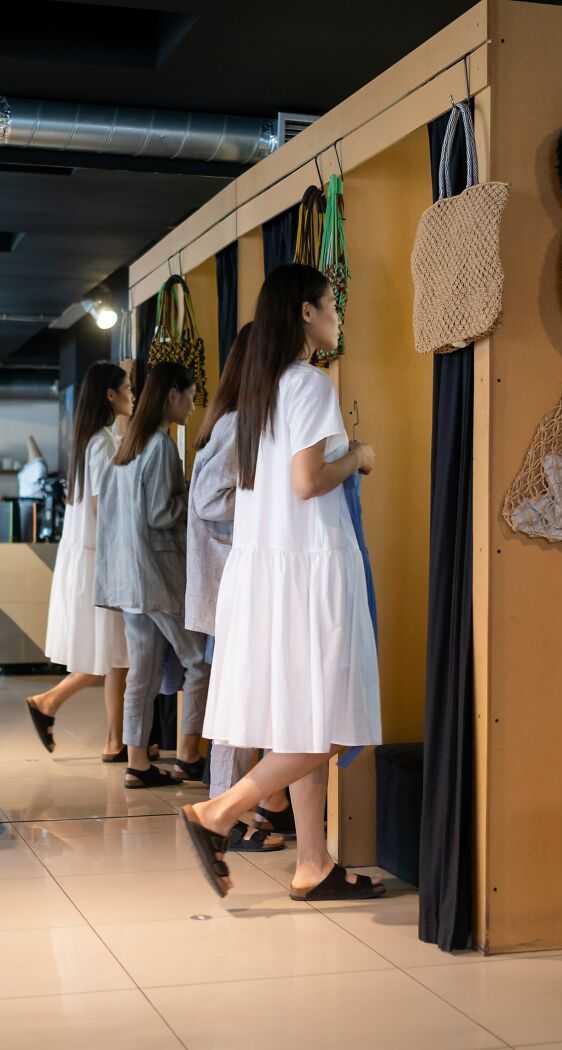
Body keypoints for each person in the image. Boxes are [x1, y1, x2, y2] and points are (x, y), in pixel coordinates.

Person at [181, 264, 384, 900]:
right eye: (332, 304)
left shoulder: (258, 393)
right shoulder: (311, 385)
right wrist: (357, 458)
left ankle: (313, 864)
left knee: (302, 719)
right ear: (305, 312)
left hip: (266, 571)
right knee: (336, 726)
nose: (337, 315)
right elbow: (306, 483)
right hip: (310, 566)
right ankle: (217, 812)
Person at [186, 324, 291, 846]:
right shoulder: (235, 424)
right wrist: (265, 505)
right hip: (233, 581)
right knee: (237, 703)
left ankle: (257, 805)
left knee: (250, 698)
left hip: (237, 580)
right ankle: (226, 817)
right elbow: (209, 500)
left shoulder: (234, 419)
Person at [94, 361, 210, 789]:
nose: (193, 402)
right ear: (172, 395)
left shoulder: (127, 445)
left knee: (140, 672)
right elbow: (163, 513)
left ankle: (138, 763)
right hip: (158, 574)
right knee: (199, 662)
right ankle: (188, 756)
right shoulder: (161, 447)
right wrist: (192, 494)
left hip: (129, 577)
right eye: (190, 393)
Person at [26, 362, 133, 759]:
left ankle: (113, 739)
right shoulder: (102, 442)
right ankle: (53, 704)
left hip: (86, 555)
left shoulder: (91, 439)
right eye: (127, 387)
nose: (132, 394)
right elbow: (101, 507)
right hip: (98, 558)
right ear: (110, 394)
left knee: (112, 653)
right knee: (112, 652)